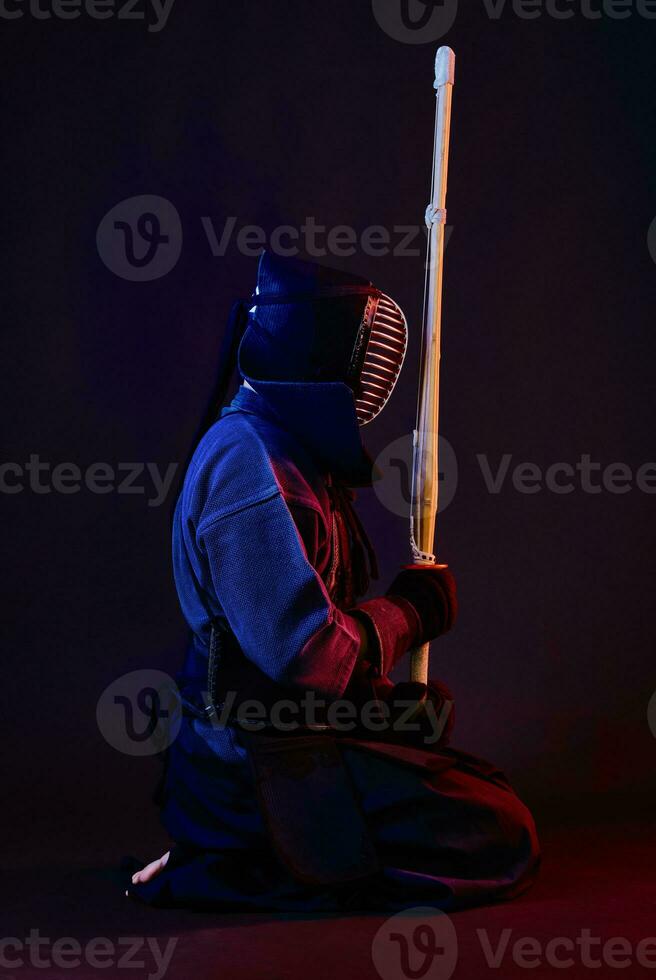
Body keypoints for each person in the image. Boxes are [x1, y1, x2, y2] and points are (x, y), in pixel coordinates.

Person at [127, 251, 539, 911]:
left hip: (299, 736)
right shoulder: (244, 461)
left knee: (477, 782)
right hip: (253, 763)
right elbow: (304, 653)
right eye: (363, 357)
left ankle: (237, 844)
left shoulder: (285, 451)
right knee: (497, 829)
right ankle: (231, 852)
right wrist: (409, 614)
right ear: (317, 357)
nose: (368, 382)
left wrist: (381, 710)